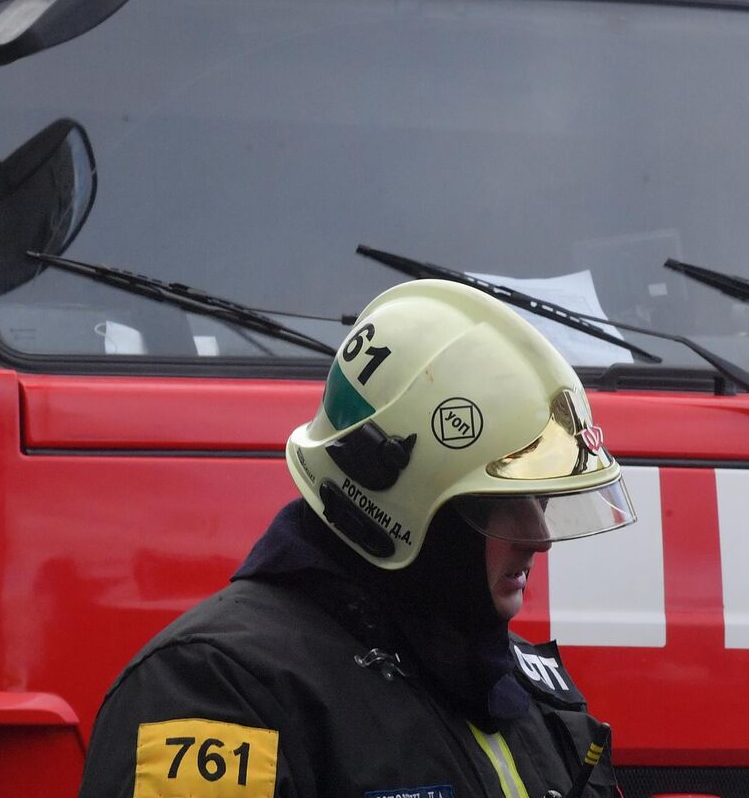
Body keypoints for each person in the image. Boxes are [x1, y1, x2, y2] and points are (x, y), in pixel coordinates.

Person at [79, 279, 635, 798]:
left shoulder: (505, 686)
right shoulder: (213, 692)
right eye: (505, 504)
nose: (540, 539)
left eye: (541, 501)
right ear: (408, 506)